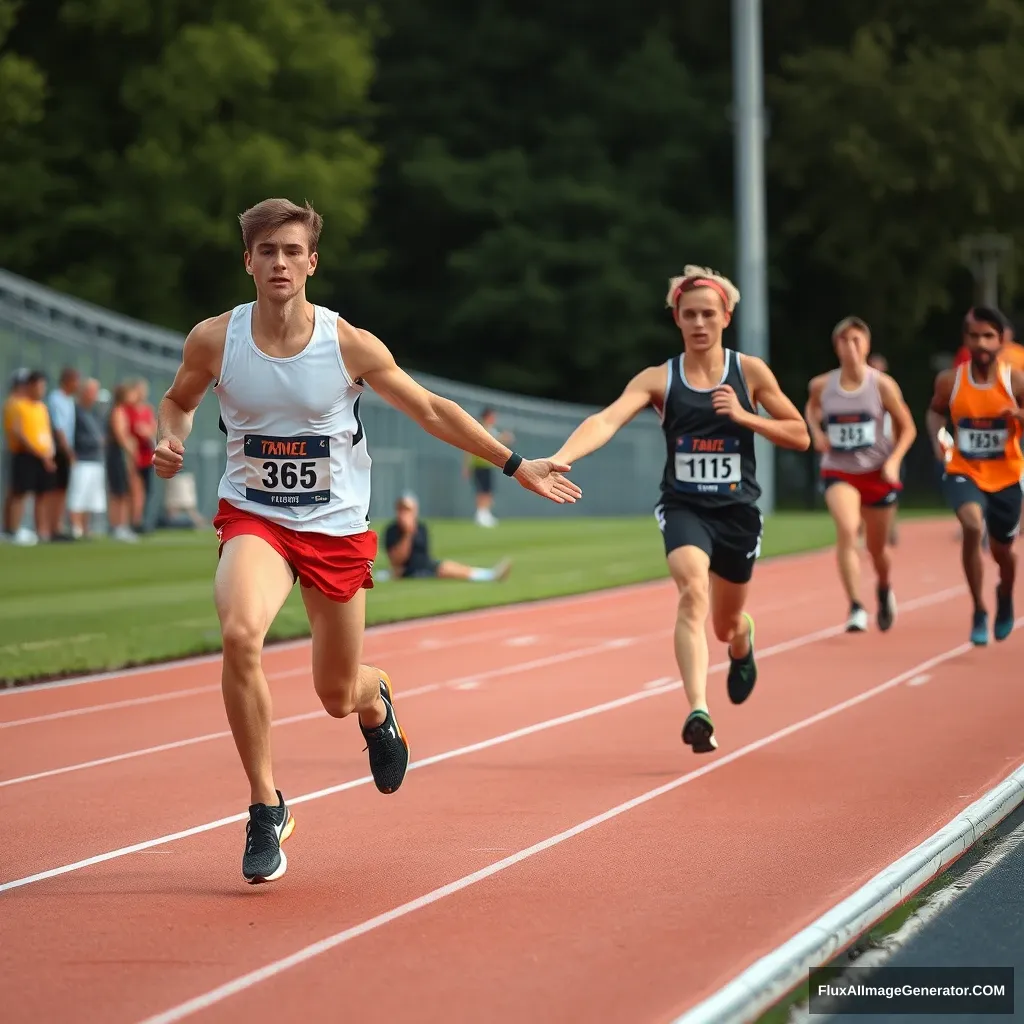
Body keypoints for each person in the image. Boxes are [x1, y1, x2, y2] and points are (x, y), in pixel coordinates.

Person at [153, 197, 580, 884]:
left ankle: (375, 700)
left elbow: (431, 408)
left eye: (293, 251)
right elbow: (178, 400)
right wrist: (168, 437)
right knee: (239, 633)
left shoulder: (346, 342)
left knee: (334, 691)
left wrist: (515, 464)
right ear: (249, 263)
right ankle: (266, 807)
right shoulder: (214, 338)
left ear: (312, 262)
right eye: (268, 252)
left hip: (335, 529)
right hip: (255, 518)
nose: (281, 263)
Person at [548, 265, 809, 755]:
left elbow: (799, 433)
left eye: (709, 313)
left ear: (726, 316)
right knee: (692, 590)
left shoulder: (748, 372)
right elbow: (607, 418)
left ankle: (742, 638)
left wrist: (746, 415)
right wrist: (563, 457)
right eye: (689, 314)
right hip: (684, 506)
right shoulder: (659, 378)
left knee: (724, 623)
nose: (699, 323)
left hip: (737, 513)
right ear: (677, 319)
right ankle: (698, 710)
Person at [805, 318, 916, 632]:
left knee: (877, 549)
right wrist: (817, 432)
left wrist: (894, 460)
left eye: (856, 340)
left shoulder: (881, 385)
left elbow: (908, 427)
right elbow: (811, 408)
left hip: (877, 472)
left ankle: (883, 586)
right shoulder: (822, 385)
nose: (850, 347)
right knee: (848, 528)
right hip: (839, 469)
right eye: (843, 341)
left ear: (866, 345)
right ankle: (855, 605)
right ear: (835, 346)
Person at [927, 306, 1024, 645]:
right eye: (974, 336)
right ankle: (980, 608)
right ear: (965, 340)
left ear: (1001, 340)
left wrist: (1018, 414)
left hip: (1007, 477)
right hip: (963, 470)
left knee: (1003, 552)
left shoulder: (1015, 380)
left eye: (988, 336)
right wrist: (941, 443)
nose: (981, 343)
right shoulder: (950, 380)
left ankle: (1005, 594)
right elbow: (935, 414)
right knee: (971, 525)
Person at [384, 493, 512, 581]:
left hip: (425, 567)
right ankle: (488, 575)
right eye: (402, 510)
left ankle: (487, 574)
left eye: (408, 510)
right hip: (409, 571)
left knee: (452, 567)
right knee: (448, 569)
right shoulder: (392, 530)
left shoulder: (421, 528)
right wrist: (407, 533)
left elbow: (425, 554)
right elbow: (396, 561)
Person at [463, 407, 514, 527]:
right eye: (492, 416)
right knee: (482, 490)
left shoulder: (492, 430)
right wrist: (467, 467)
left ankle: (485, 513)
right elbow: (472, 448)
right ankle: (480, 514)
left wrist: (505, 438)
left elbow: (497, 441)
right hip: (479, 465)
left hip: (489, 465)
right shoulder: (480, 429)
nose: (494, 419)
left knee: (488, 490)